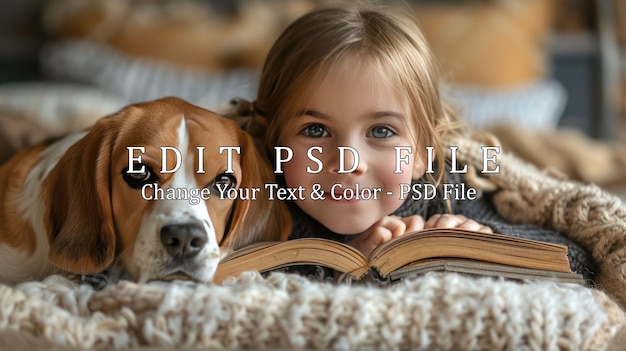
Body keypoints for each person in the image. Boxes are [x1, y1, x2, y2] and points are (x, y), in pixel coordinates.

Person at [242, 1, 596, 279]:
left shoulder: (443, 190)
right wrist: (346, 264)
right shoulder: (251, 207)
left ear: (423, 153)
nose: (348, 162)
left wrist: (487, 238)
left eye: (381, 131)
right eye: (316, 130)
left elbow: (580, 259)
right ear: (271, 142)